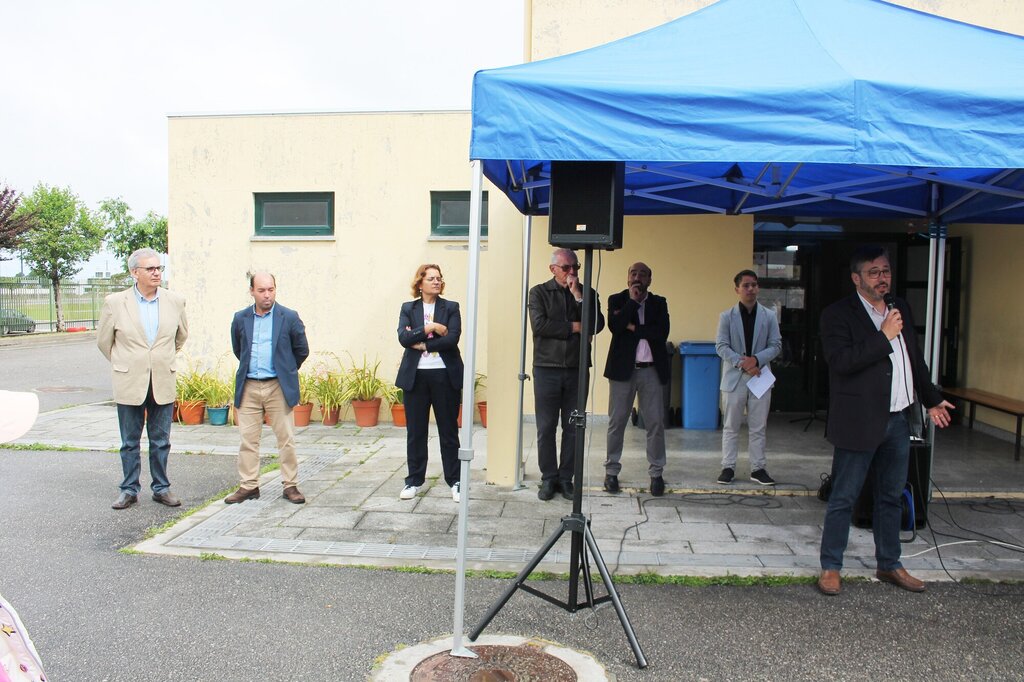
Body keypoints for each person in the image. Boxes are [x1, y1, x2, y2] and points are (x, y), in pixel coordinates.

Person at [817, 245, 954, 596]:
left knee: (891, 496)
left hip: (898, 420)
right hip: (859, 420)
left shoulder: (899, 308)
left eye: (886, 271)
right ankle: (831, 566)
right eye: (874, 272)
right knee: (844, 497)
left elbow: (913, 359)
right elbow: (841, 362)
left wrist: (931, 399)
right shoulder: (837, 314)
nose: (882, 278)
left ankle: (889, 563)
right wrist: (883, 336)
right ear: (856, 278)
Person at [97, 248, 189, 510]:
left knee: (161, 440)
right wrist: (127, 362)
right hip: (129, 380)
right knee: (129, 441)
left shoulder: (175, 301)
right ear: (134, 272)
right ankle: (129, 490)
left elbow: (181, 336)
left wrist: (159, 359)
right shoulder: (115, 303)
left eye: (159, 268)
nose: (156, 273)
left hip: (162, 379)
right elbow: (104, 341)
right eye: (150, 269)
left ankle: (161, 488)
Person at [224, 272, 309, 505]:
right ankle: (249, 486)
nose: (267, 295)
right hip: (249, 385)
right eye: (261, 290)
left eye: (271, 289)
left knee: (286, 438)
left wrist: (286, 369)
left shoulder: (289, 317)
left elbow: (301, 350)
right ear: (252, 291)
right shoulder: (241, 318)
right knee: (248, 440)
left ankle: (290, 485)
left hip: (277, 385)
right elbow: (239, 349)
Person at [529, 248, 605, 501]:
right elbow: (539, 325)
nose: (572, 272)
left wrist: (578, 297)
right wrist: (574, 326)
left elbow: (596, 325)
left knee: (573, 426)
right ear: (553, 269)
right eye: (566, 268)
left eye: (576, 267)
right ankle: (548, 478)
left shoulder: (587, 294)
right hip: (546, 367)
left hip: (577, 368)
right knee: (546, 427)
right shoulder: (539, 292)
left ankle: (566, 478)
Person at [395, 264, 465, 502]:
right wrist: (432, 327)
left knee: (448, 431)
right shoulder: (408, 308)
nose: (436, 282)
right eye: (431, 278)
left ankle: (455, 481)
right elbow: (404, 338)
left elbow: (452, 338)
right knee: (416, 432)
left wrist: (424, 343)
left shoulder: (451, 307)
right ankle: (414, 481)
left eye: (439, 278)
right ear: (420, 283)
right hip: (416, 378)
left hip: (444, 375)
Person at [603, 262, 671, 496]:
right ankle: (611, 471)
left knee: (655, 423)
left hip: (651, 370)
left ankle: (656, 473)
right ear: (627, 278)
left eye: (643, 274)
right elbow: (615, 326)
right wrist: (632, 303)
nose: (637, 277)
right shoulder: (617, 300)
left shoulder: (659, 303)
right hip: (623, 371)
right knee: (617, 422)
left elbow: (661, 333)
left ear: (650, 280)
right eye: (633, 273)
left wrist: (634, 328)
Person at [715, 270, 783, 486]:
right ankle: (728, 467)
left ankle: (758, 468)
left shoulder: (769, 316)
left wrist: (756, 360)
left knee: (758, 427)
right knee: (731, 426)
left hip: (760, 377)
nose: (751, 289)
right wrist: (743, 363)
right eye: (746, 285)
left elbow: (776, 345)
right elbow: (721, 346)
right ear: (737, 289)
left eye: (754, 285)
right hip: (734, 379)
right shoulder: (726, 317)